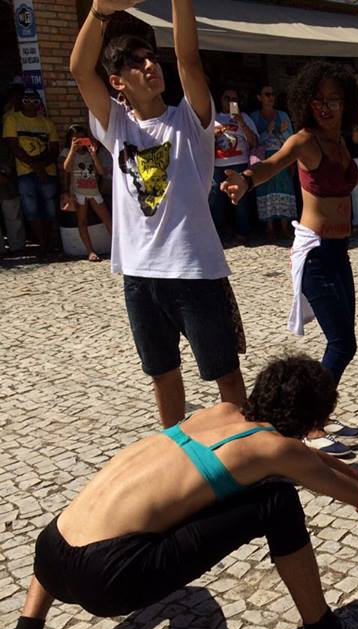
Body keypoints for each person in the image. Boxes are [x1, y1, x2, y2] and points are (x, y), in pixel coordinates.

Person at [0, 354, 358, 629]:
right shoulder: (276, 449)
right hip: (109, 577)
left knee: (94, 509)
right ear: (312, 421)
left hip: (50, 552)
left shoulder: (218, 413)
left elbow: (308, 458)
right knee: (277, 501)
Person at [71, 0, 247, 429]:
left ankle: (246, 453)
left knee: (224, 373)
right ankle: (175, 450)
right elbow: (79, 70)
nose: (150, 65)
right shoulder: (116, 125)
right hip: (139, 275)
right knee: (163, 374)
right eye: (136, 63)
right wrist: (99, 11)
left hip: (195, 271)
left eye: (151, 57)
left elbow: (188, 60)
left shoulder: (190, 121)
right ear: (117, 82)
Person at [220, 61, 358, 456]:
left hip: (339, 252)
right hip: (316, 253)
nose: (326, 107)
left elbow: (340, 182)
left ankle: (317, 412)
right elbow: (271, 165)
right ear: (306, 102)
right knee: (342, 343)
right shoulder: (304, 140)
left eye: (334, 100)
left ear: (347, 103)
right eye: (318, 100)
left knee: (343, 341)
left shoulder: (340, 141)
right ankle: (309, 425)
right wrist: (245, 181)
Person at [2, 88, 59, 258]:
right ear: (21, 103)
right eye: (27, 101)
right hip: (25, 173)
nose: (31, 105)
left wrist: (42, 167)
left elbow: (54, 149)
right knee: (31, 209)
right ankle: (42, 244)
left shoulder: (47, 123)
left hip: (48, 172)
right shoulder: (12, 119)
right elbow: (14, 147)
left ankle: (48, 243)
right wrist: (37, 167)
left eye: (35, 101)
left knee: (50, 208)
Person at [210, 88, 258, 245]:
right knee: (216, 199)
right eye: (227, 98)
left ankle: (242, 232)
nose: (231, 102)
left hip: (239, 163)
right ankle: (218, 234)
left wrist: (241, 122)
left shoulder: (244, 117)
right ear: (220, 100)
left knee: (241, 200)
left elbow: (254, 142)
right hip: (217, 165)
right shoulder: (213, 117)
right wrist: (212, 135)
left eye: (234, 99)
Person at [249, 84, 296, 243]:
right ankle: (269, 228)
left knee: (285, 188)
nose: (271, 97)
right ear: (259, 97)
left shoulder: (283, 115)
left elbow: (291, 139)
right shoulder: (254, 117)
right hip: (263, 158)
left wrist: (282, 132)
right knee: (266, 189)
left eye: (273, 94)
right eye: (267, 94)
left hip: (282, 156)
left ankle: (284, 226)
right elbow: (253, 140)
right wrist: (266, 132)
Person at [60, 124, 112, 261]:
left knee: (107, 219)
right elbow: (66, 168)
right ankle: (90, 251)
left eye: (82, 138)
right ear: (70, 139)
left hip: (94, 191)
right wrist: (72, 149)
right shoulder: (67, 151)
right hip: (78, 192)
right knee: (82, 221)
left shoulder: (91, 151)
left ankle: (117, 249)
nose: (80, 141)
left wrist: (93, 154)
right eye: (76, 138)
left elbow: (101, 171)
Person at [0, 128, 25, 254]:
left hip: (7, 182)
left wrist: (6, 173)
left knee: (13, 215)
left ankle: (17, 246)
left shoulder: (5, 140)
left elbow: (12, 157)